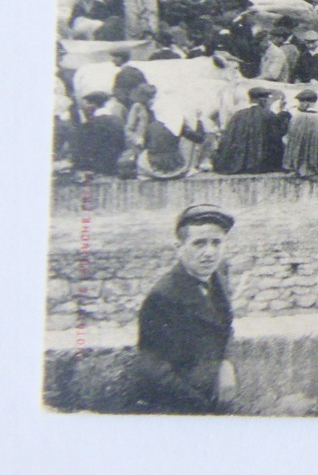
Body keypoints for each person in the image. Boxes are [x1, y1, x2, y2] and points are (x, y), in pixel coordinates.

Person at [132, 205, 238, 414]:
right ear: (178, 247)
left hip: (214, 394)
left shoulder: (219, 275)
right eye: (199, 243)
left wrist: (226, 363)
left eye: (216, 243)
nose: (209, 253)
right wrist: (202, 408)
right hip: (180, 406)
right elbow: (153, 369)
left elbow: (226, 326)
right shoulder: (162, 297)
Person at [213, 86, 287, 175]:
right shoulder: (268, 115)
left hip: (239, 163)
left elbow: (228, 139)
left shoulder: (238, 115)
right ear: (262, 100)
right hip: (261, 165)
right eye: (267, 100)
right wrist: (282, 112)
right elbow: (278, 137)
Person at [283, 88, 318, 177]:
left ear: (306, 103)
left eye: (299, 102)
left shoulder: (295, 119)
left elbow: (288, 141)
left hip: (297, 167)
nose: (298, 105)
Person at [72, 90, 125, 176]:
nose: (85, 108)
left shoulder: (90, 124)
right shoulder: (118, 121)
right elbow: (122, 144)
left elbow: (87, 149)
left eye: (87, 104)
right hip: (114, 166)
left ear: (94, 105)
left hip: (97, 169)